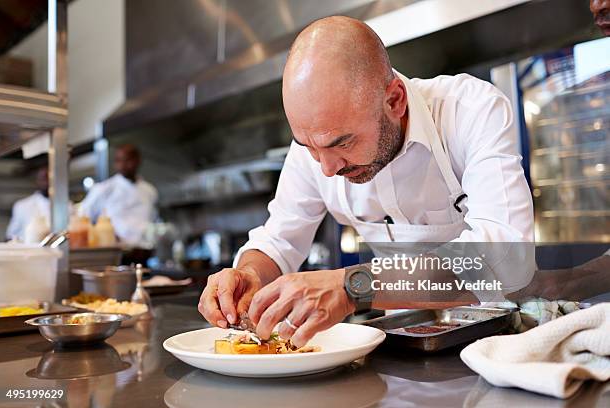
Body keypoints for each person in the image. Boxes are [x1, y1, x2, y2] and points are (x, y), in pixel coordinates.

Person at [199, 17, 534, 347]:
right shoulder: (316, 143)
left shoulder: (470, 111)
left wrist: (353, 286)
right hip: (398, 342)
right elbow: (279, 239)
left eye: (342, 143)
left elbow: (505, 257)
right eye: (310, 148)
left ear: (394, 100)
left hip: (493, 340)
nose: (327, 168)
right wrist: (250, 275)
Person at [79, 144, 158, 246]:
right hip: (115, 251)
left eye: (128, 160)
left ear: (138, 161)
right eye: (119, 160)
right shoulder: (104, 189)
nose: (123, 165)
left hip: (144, 250)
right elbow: (83, 218)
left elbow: (152, 221)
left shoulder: (149, 191)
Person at [6, 166, 50, 241]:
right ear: (37, 180)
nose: (46, 182)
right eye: (43, 178)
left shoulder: (67, 205)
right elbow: (10, 236)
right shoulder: (22, 205)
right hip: (29, 251)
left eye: (48, 178)